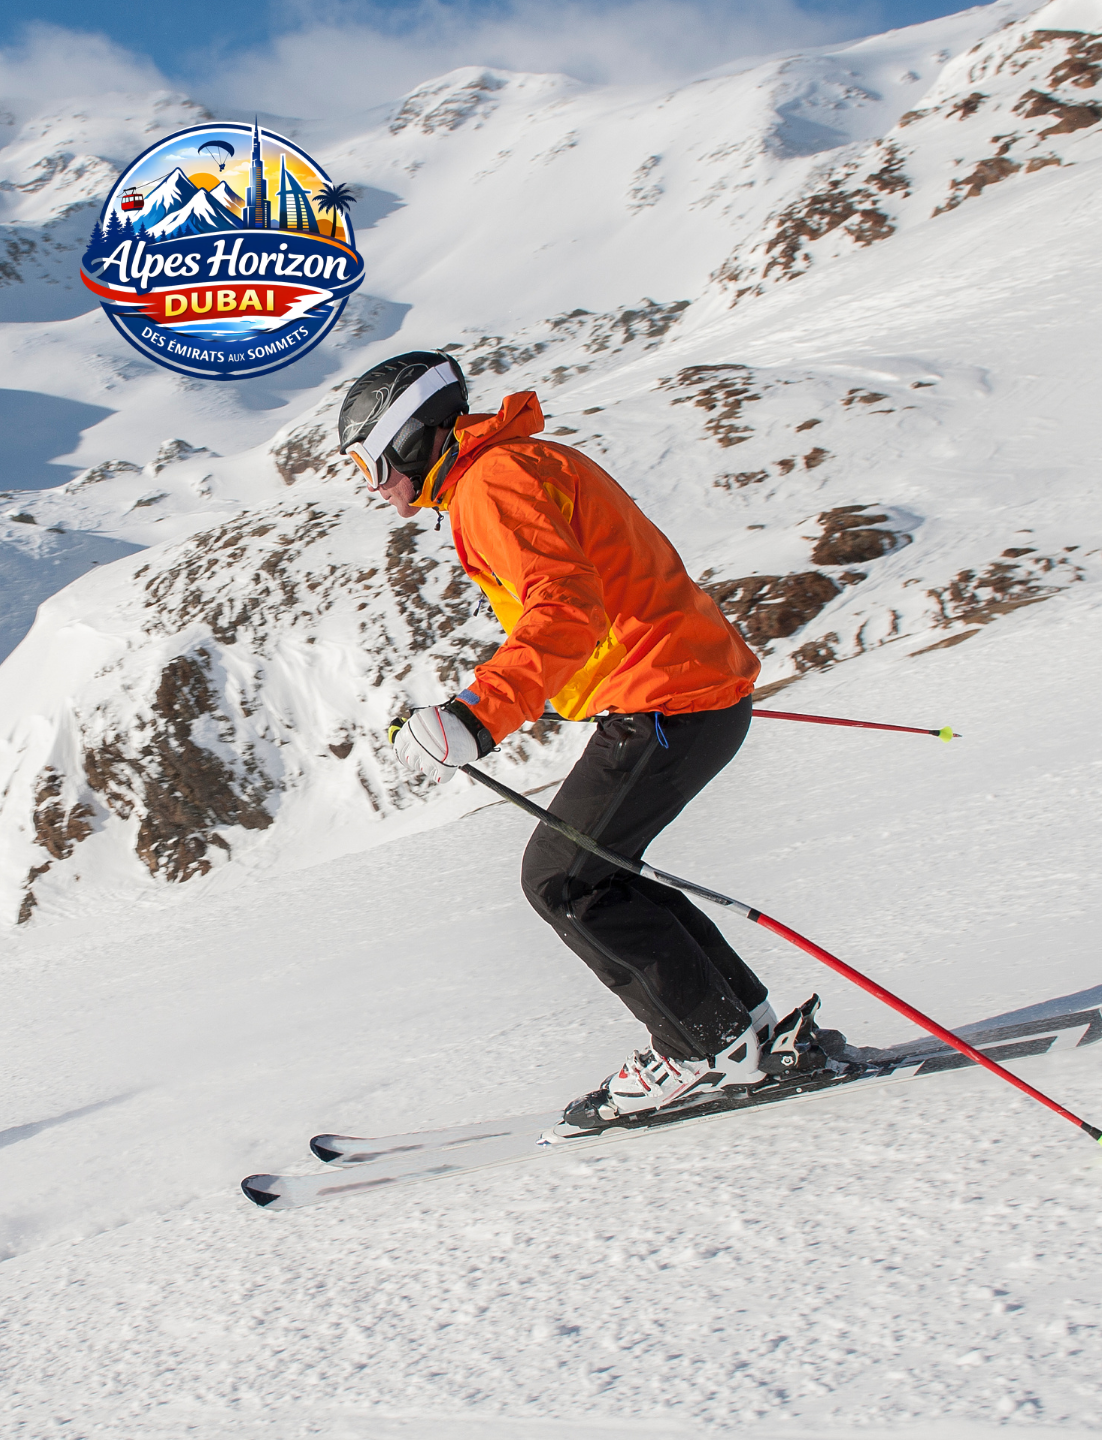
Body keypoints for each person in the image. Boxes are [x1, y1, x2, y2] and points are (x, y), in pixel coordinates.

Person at [342, 351, 833, 1130]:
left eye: (372, 462)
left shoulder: (491, 484)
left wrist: (479, 715)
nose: (374, 485)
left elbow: (566, 608)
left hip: (667, 702)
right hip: (685, 693)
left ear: (410, 439)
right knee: (602, 872)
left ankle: (705, 1047)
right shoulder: (516, 464)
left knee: (562, 879)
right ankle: (745, 1033)